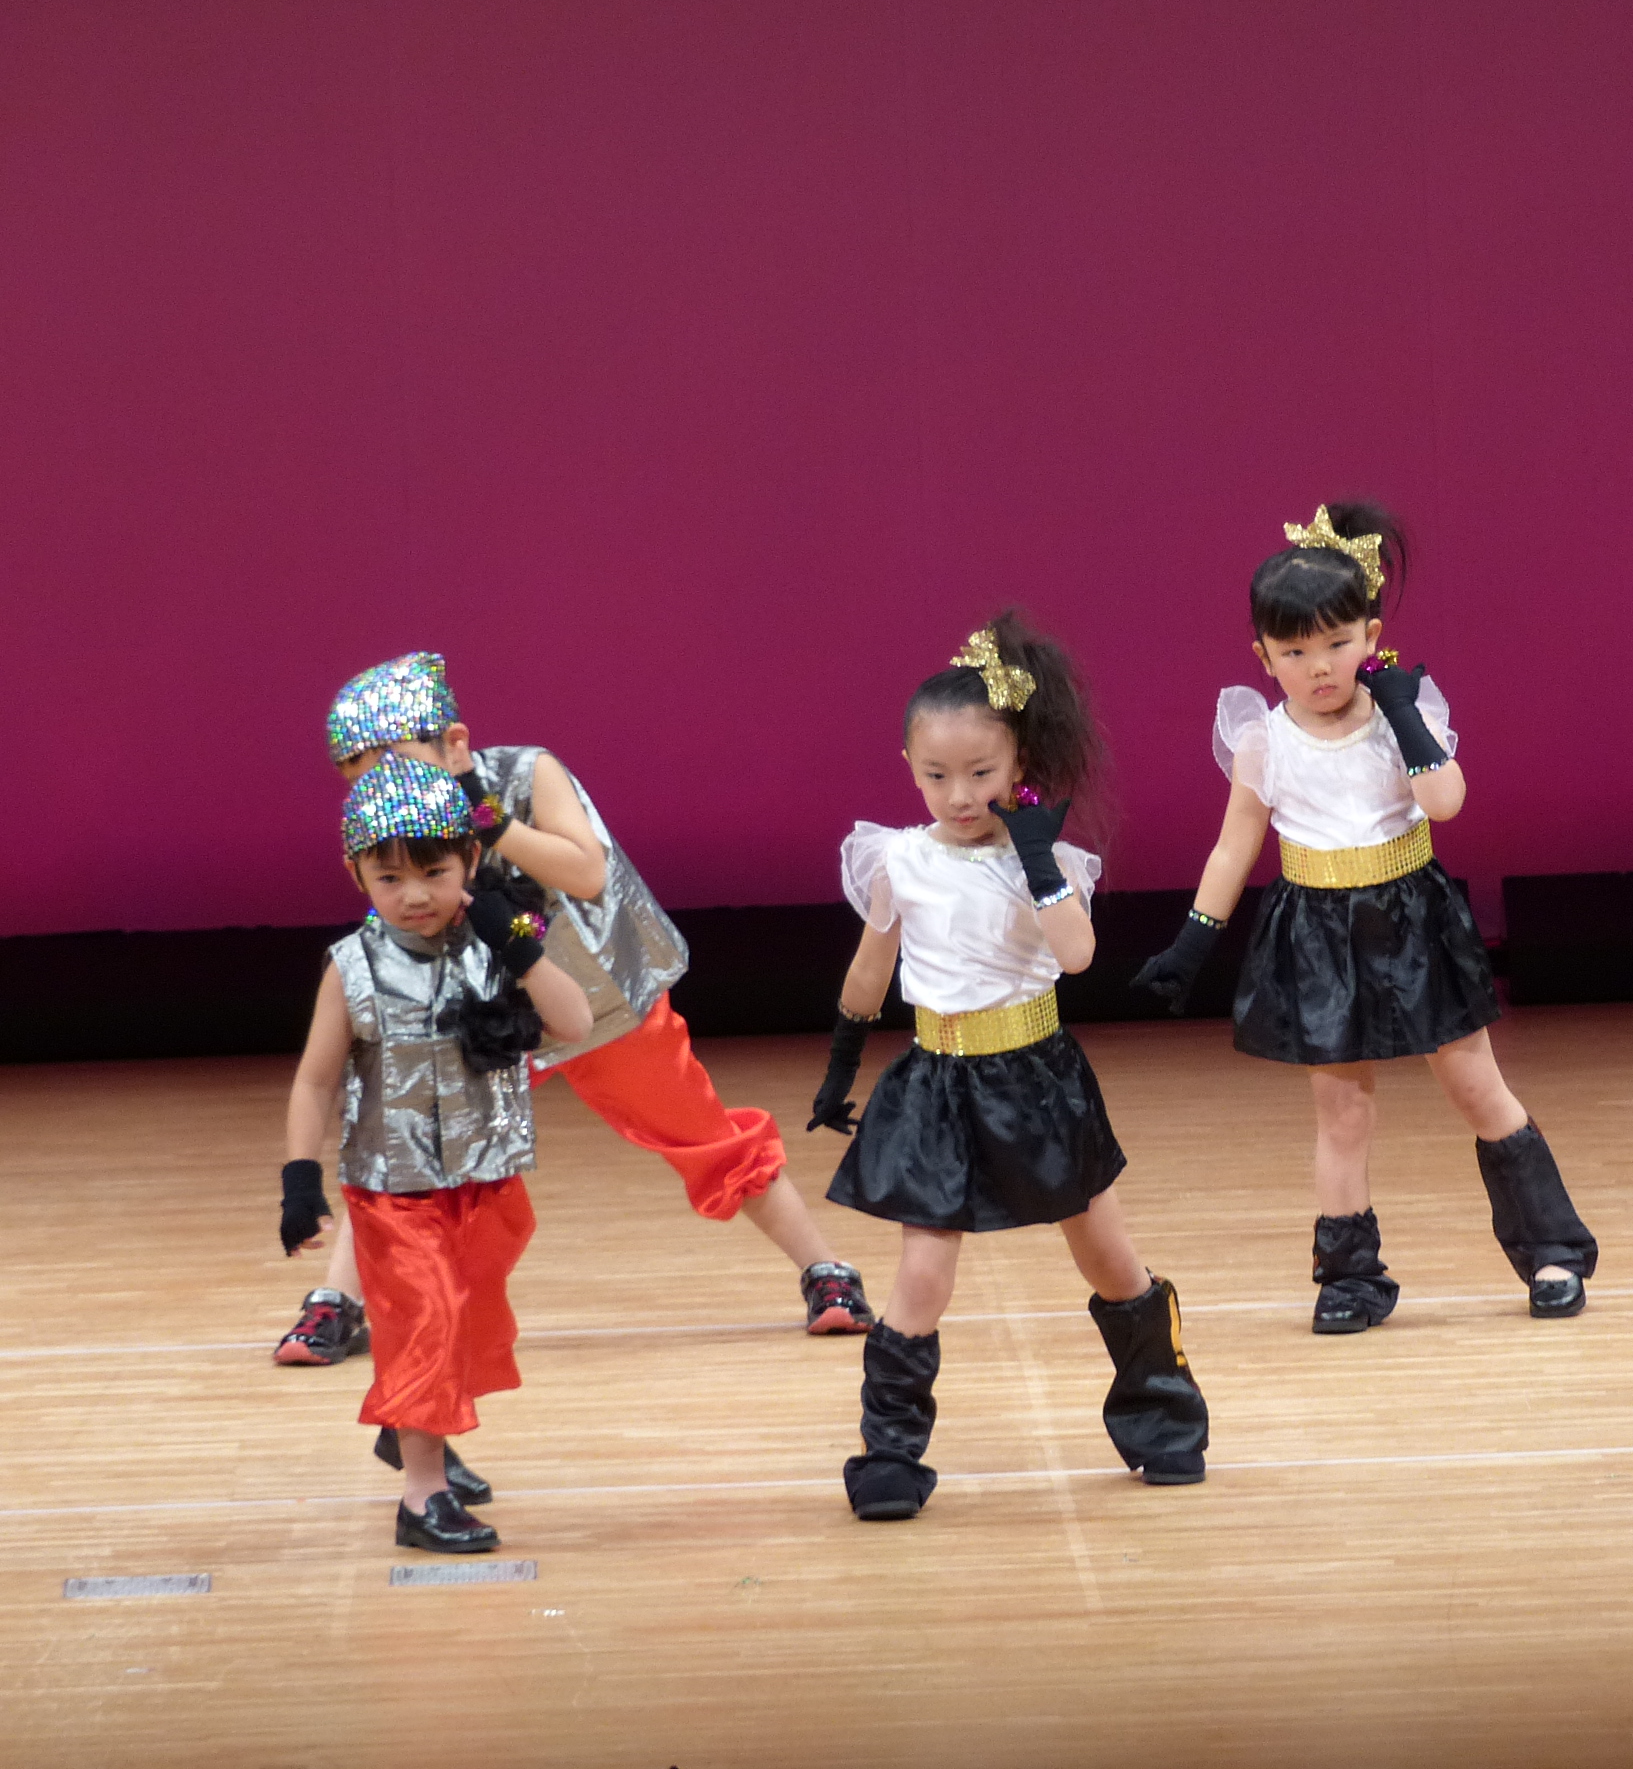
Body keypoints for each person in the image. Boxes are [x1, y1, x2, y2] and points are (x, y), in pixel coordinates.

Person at [274, 653, 869, 1368]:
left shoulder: (528, 774)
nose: (383, 788)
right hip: (480, 1015)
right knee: (404, 1140)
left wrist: (483, 817)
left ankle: (824, 1268)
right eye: (361, 778)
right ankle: (338, 1302)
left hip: (593, 1003)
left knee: (701, 1133)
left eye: (395, 763)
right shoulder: (396, 825)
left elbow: (585, 873)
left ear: (455, 743)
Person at [1131, 503, 1597, 1331]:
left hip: (1413, 918)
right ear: (1263, 656)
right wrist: (1190, 945)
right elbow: (1235, 848)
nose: (1319, 667)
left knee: (1476, 1088)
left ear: (1371, 636)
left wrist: (1404, 713)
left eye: (1337, 644)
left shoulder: (1402, 715)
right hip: (1316, 931)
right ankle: (1350, 1278)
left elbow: (1445, 803)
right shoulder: (1264, 741)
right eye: (1294, 652)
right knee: (1342, 1112)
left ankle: (1552, 1252)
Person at [808, 615, 1209, 1520]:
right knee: (921, 1274)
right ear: (909, 766)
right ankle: (888, 1455)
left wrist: (1035, 859)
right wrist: (841, 1065)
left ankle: (1164, 1420)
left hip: (1036, 1080)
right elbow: (870, 971)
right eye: (935, 775)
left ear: (1020, 762)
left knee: (1109, 1259)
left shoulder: (1050, 860)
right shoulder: (899, 858)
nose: (958, 795)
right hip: (936, 1084)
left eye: (981, 773)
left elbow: (1077, 955)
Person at [280, 758, 593, 1552]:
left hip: (488, 1181)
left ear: (471, 862)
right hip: (393, 1187)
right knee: (425, 1319)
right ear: (356, 874)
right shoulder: (351, 966)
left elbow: (576, 1023)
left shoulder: (500, 943)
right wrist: (299, 1179)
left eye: (434, 873)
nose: (414, 895)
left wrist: (521, 949)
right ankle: (423, 1496)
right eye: (389, 878)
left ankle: (413, 1428)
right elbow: (316, 1080)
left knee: (470, 1324)